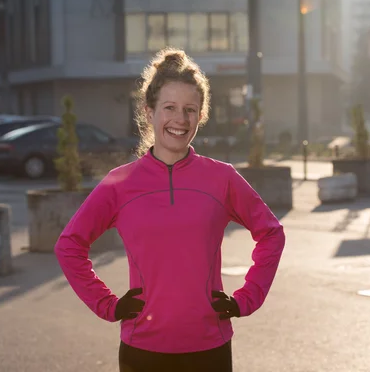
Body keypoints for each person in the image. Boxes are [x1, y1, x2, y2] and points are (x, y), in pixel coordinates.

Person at [54, 48, 286, 372]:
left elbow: (271, 233)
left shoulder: (222, 178)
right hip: (142, 351)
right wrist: (107, 305)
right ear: (149, 112)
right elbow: (69, 245)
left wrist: (246, 298)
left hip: (210, 348)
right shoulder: (120, 183)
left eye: (190, 110)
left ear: (200, 116)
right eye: (170, 108)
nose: (180, 119)